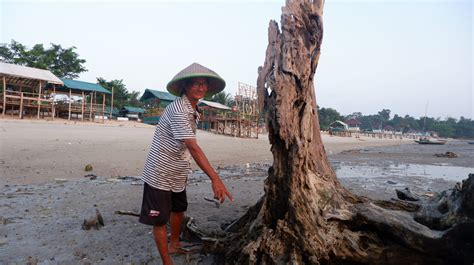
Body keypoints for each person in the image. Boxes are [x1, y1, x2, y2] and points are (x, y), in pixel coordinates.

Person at [139, 63, 233, 265]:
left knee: (179, 209)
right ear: (185, 87)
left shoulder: (193, 109)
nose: (201, 88)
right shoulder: (178, 110)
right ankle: (167, 262)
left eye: (204, 84)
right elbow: (193, 147)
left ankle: (174, 243)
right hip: (159, 171)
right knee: (159, 219)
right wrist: (215, 179)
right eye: (196, 84)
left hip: (178, 170)